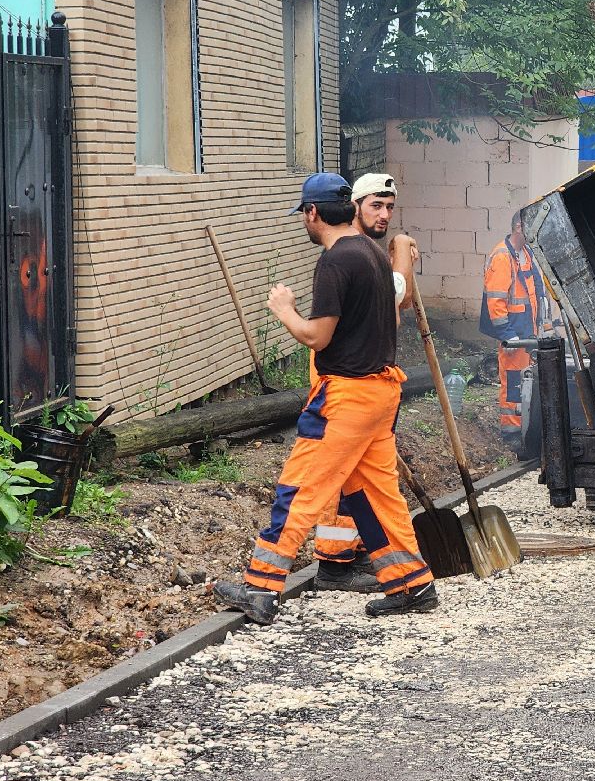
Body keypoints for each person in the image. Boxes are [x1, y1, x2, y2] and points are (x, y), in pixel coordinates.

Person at [213, 172, 436, 624]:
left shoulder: (335, 261)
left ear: (312, 213)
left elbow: (318, 337)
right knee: (378, 496)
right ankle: (413, 584)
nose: (304, 221)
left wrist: (285, 311)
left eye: (303, 214)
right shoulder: (372, 253)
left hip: (345, 401)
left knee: (299, 491)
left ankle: (260, 588)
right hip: (380, 394)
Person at [310, 172, 419, 593]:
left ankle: (358, 560)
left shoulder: (364, 253)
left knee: (362, 476)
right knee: (341, 475)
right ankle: (335, 565)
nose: (384, 214)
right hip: (345, 380)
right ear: (352, 205)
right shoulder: (350, 255)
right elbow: (400, 297)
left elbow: (399, 296)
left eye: (390, 207)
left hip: (365, 380)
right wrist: (404, 249)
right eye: (376, 205)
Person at [480, 210, 552, 453]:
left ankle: (528, 433)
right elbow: (496, 301)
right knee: (513, 386)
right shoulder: (502, 256)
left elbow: (537, 295)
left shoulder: (527, 254)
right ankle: (512, 436)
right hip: (514, 337)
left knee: (529, 385)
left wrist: (545, 328)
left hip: (528, 334)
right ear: (519, 227)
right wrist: (507, 335)